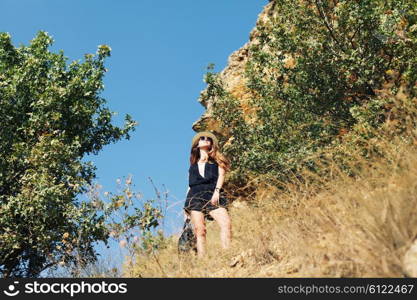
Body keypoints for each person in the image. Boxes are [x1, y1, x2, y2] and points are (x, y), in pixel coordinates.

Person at [183, 131, 232, 258]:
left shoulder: (216, 161)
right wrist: (185, 210)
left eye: (208, 139)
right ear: (197, 144)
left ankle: (227, 254)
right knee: (200, 231)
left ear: (211, 144)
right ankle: (202, 260)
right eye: (202, 138)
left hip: (212, 194)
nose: (205, 140)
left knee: (226, 223)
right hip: (194, 197)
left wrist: (216, 192)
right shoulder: (192, 166)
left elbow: (221, 176)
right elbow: (189, 186)